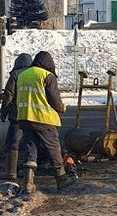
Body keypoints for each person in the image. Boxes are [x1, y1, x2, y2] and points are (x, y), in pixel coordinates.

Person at [16, 51, 78, 193]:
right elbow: (54, 100)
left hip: (25, 118)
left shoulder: (23, 75)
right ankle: (62, 179)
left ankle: (28, 183)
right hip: (43, 119)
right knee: (53, 148)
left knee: (30, 148)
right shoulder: (46, 76)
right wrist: (62, 107)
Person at [0, 53, 33, 181]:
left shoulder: (15, 75)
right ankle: (29, 173)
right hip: (33, 115)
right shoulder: (36, 74)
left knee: (13, 142)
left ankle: (11, 172)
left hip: (18, 115)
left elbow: (9, 96)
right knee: (31, 143)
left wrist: (4, 112)